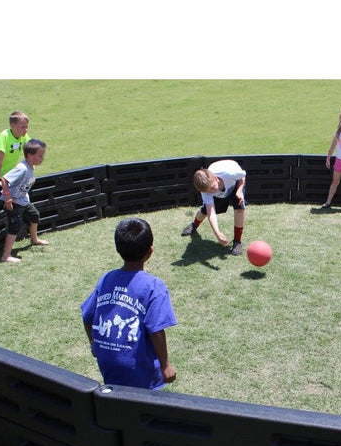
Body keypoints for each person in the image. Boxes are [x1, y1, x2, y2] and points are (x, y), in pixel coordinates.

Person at [81, 217, 177, 389]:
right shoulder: (154, 287)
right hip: (139, 370)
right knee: (145, 405)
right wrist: (166, 365)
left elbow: (87, 316)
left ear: (118, 248)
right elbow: (156, 331)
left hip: (108, 364)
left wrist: (93, 344)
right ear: (150, 251)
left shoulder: (106, 279)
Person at [0, 139, 49, 263]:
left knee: (34, 215)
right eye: (40, 156)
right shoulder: (22, 168)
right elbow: (4, 179)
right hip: (14, 202)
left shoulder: (30, 167)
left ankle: (34, 239)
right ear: (29, 156)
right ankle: (5, 255)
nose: (42, 158)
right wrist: (8, 198)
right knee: (14, 227)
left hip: (23, 201)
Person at [182, 160, 247, 256]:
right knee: (204, 212)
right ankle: (194, 225)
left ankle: (237, 242)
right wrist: (217, 233)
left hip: (235, 185)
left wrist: (239, 191)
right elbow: (210, 212)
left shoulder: (230, 173)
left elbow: (242, 176)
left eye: (212, 187)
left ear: (216, 178)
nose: (211, 192)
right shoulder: (206, 190)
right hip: (222, 190)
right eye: (208, 191)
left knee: (239, 209)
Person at [0, 111, 30, 186]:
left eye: (27, 127)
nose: (26, 130)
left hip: (8, 174)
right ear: (13, 126)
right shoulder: (4, 136)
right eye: (23, 127)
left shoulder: (23, 136)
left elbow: (31, 148)